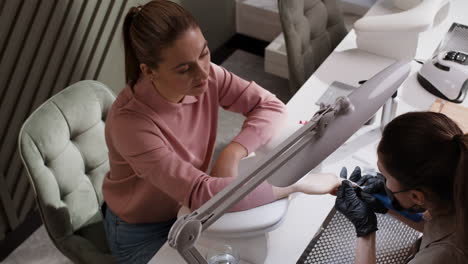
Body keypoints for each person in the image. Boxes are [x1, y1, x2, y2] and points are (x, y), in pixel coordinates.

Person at [101, 1, 341, 263]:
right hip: (145, 230)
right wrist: (295, 185)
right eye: (184, 68)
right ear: (149, 71)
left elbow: (270, 105)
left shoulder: (207, 76)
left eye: (204, 53)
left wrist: (233, 151)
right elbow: (202, 194)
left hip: (188, 208)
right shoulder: (131, 124)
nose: (203, 73)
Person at [335, 111, 468, 264]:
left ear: (417, 197)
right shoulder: (458, 187)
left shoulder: (444, 256)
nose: (382, 181)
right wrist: (388, 206)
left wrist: (365, 230)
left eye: (385, 177)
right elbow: (437, 227)